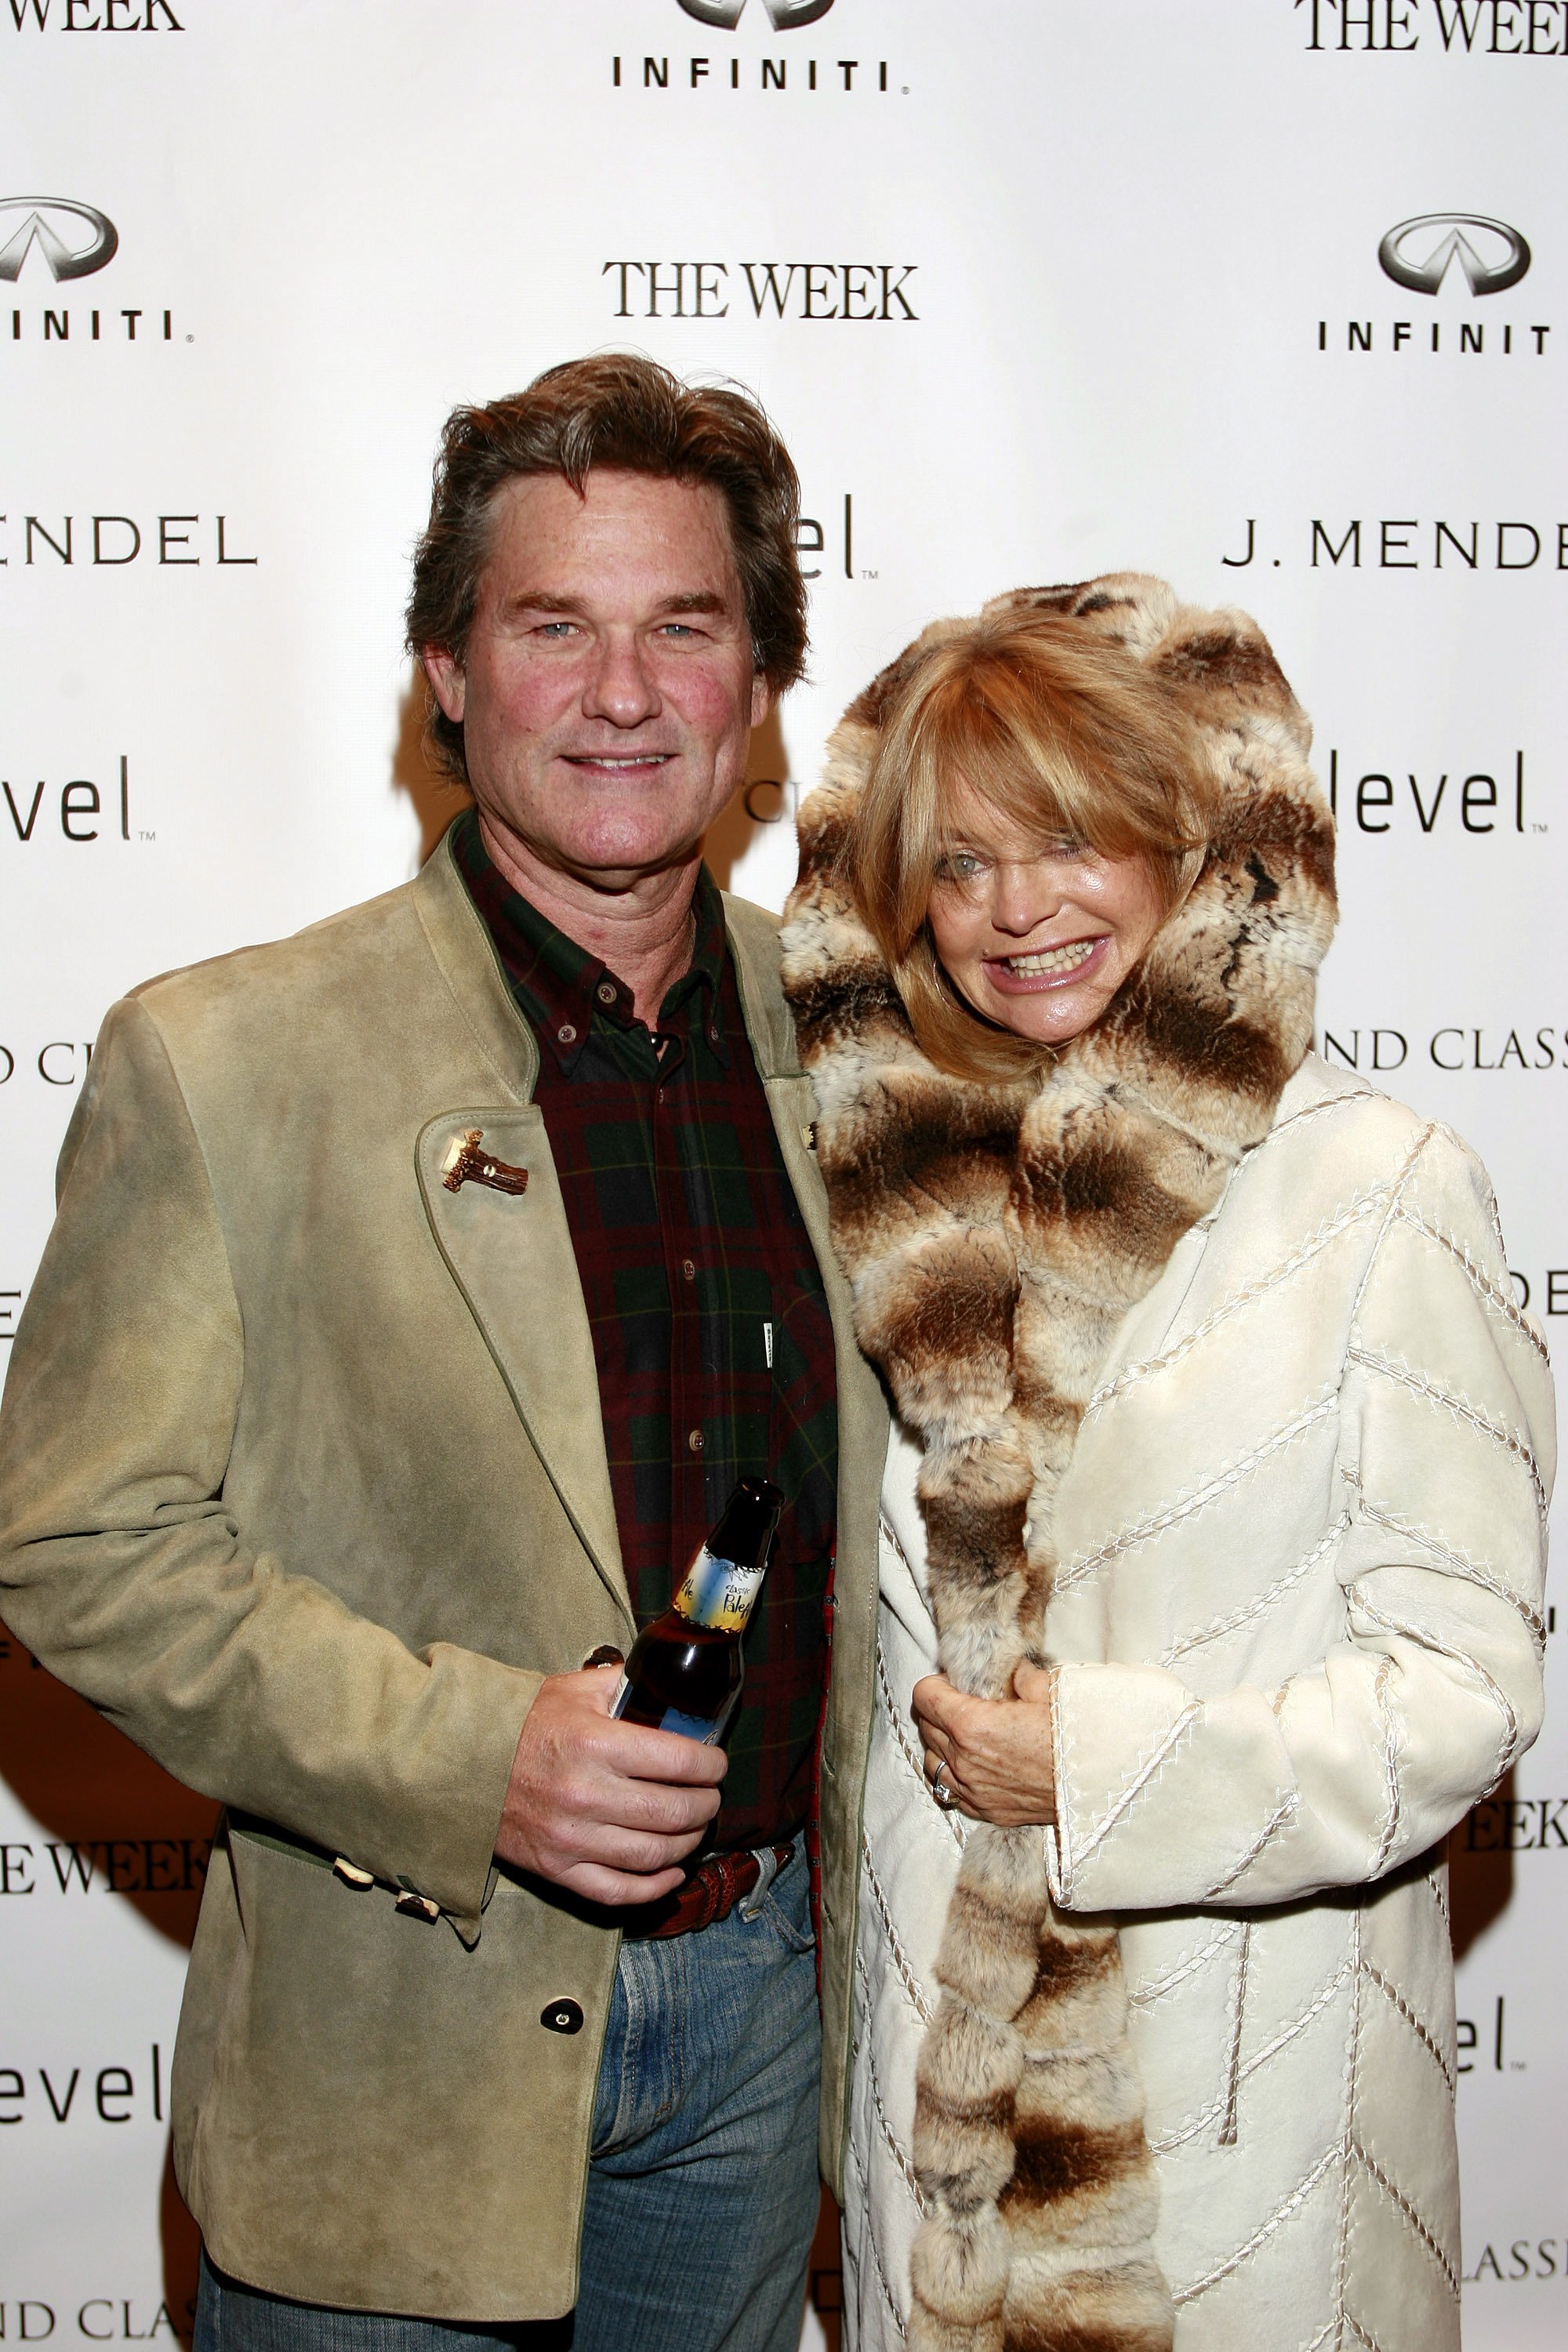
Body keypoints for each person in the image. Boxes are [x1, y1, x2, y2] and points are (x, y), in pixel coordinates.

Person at [0, 356, 887, 2352]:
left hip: (771, 2032)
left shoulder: (861, 1043)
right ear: (447, 671)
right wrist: (469, 1757)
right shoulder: (231, 1059)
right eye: (550, 627)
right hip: (391, 2050)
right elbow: (74, 1544)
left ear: (758, 689)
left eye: (687, 628)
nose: (624, 692)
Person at [779, 575, 1552, 2352]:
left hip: (1247, 2105)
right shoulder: (890, 1208)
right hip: (931, 2111)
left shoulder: (1377, 1186)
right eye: (956, 865)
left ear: (1188, 847)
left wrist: (1099, 1766)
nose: (1012, 910)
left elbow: (1463, 1694)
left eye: (1068, 842)